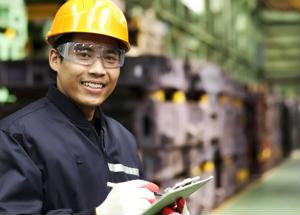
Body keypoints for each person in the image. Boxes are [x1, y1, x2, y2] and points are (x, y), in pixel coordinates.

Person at [0, 0, 190, 215]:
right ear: (55, 59)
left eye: (110, 57)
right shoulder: (16, 138)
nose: (98, 69)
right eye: (83, 54)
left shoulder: (124, 140)